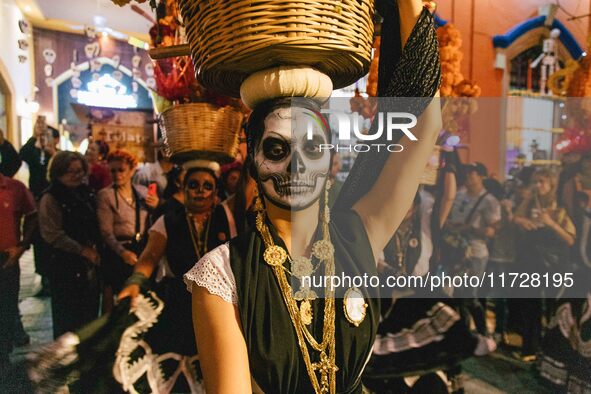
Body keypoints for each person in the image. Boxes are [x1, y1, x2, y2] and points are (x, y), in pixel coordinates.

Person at [184, 1, 442, 392]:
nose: (296, 167)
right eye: (276, 150)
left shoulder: (359, 235)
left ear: (331, 160)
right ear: (251, 160)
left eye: (313, 149)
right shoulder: (220, 277)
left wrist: (408, 8)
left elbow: (424, 123)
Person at [115, 162, 221, 392]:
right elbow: (150, 255)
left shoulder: (227, 218)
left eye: (207, 186)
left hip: (218, 304)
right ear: (183, 188)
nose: (200, 191)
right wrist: (135, 281)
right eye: (193, 185)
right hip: (178, 304)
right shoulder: (168, 220)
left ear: (215, 193)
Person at [513, 168, 575, 361]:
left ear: (551, 184)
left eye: (542, 182)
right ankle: (529, 347)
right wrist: (522, 221)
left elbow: (570, 238)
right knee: (529, 303)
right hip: (530, 259)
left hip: (552, 261)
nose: (538, 186)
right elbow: (516, 217)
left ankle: (550, 351)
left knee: (550, 306)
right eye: (535, 181)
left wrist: (551, 223)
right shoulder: (531, 201)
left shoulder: (560, 206)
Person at [38, 151, 101, 338]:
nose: (76, 175)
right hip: (64, 267)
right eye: (70, 171)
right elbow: (53, 234)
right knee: (67, 321)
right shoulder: (51, 197)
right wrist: (82, 251)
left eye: (79, 171)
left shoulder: (86, 194)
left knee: (88, 318)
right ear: (58, 172)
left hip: (88, 268)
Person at [97, 150, 158, 308]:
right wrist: (122, 252)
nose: (117, 174)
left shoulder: (142, 193)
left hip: (141, 248)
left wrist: (156, 205)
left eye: (121, 170)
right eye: (113, 170)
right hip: (118, 252)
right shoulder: (106, 195)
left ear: (132, 171)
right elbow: (106, 232)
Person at [445, 162, 500, 336]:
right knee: (456, 293)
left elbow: (493, 230)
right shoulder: (460, 194)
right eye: (467, 173)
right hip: (455, 249)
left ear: (482, 176)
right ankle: (463, 332)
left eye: (473, 174)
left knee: (470, 294)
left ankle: (483, 333)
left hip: (475, 252)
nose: (468, 177)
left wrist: (470, 228)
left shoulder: (489, 200)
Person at [0, 172, 36, 371]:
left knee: (6, 308)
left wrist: (22, 245)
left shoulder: (14, 188)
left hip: (6, 259)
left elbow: (32, 215)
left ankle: (3, 358)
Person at [19, 117, 59, 198]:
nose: (44, 138)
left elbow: (63, 164)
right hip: (35, 193)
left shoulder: (58, 154)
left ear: (56, 139)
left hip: (54, 194)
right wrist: (34, 137)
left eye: (48, 135)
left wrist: (52, 152)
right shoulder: (33, 151)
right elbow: (22, 155)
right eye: (43, 136)